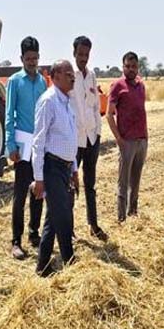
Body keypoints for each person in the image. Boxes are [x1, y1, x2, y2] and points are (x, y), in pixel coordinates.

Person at [31, 60, 79, 276]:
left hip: (65, 168)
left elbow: (71, 137)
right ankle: (70, 260)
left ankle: (42, 265)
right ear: (56, 75)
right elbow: (38, 141)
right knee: (63, 217)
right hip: (51, 167)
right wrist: (39, 178)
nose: (73, 77)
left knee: (53, 217)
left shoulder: (66, 102)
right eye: (69, 73)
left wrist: (75, 169)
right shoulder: (48, 101)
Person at [5, 36, 47, 259]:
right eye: (28, 58)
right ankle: (15, 240)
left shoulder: (42, 82)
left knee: (38, 191)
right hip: (22, 146)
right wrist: (10, 145)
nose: (32, 62)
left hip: (39, 145)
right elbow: (9, 115)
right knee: (20, 193)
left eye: (35, 58)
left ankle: (34, 232)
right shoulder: (14, 81)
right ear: (21, 58)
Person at [70, 36, 108, 241]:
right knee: (72, 186)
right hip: (75, 140)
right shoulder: (69, 75)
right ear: (74, 52)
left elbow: (95, 107)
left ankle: (93, 224)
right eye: (80, 54)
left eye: (86, 55)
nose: (83, 58)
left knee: (90, 185)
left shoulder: (91, 75)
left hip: (92, 138)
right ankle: (70, 230)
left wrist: (99, 132)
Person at [106, 52, 148, 222]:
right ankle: (121, 218)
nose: (131, 69)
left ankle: (133, 212)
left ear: (138, 67)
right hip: (127, 142)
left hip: (142, 140)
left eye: (134, 66)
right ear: (123, 67)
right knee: (123, 182)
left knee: (136, 181)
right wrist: (119, 139)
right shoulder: (117, 85)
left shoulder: (141, 85)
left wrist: (146, 137)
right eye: (128, 66)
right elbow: (109, 115)